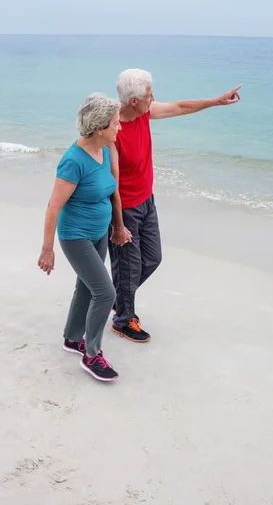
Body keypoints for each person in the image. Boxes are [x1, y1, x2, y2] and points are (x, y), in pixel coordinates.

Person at [108, 69, 241, 343]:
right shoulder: (114, 131)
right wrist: (118, 225)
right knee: (129, 267)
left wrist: (217, 100)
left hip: (147, 201)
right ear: (133, 101)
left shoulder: (144, 112)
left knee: (153, 258)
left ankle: (116, 295)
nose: (153, 98)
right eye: (148, 95)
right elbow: (111, 185)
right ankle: (123, 320)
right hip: (125, 210)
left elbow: (180, 107)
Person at [38, 93, 130, 382]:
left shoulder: (105, 148)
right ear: (100, 127)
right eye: (116, 123)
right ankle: (92, 354)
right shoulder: (73, 161)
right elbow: (54, 206)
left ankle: (72, 338)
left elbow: (111, 188)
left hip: (98, 233)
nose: (120, 127)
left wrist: (117, 225)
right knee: (106, 292)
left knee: (88, 288)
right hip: (75, 235)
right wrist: (47, 249)